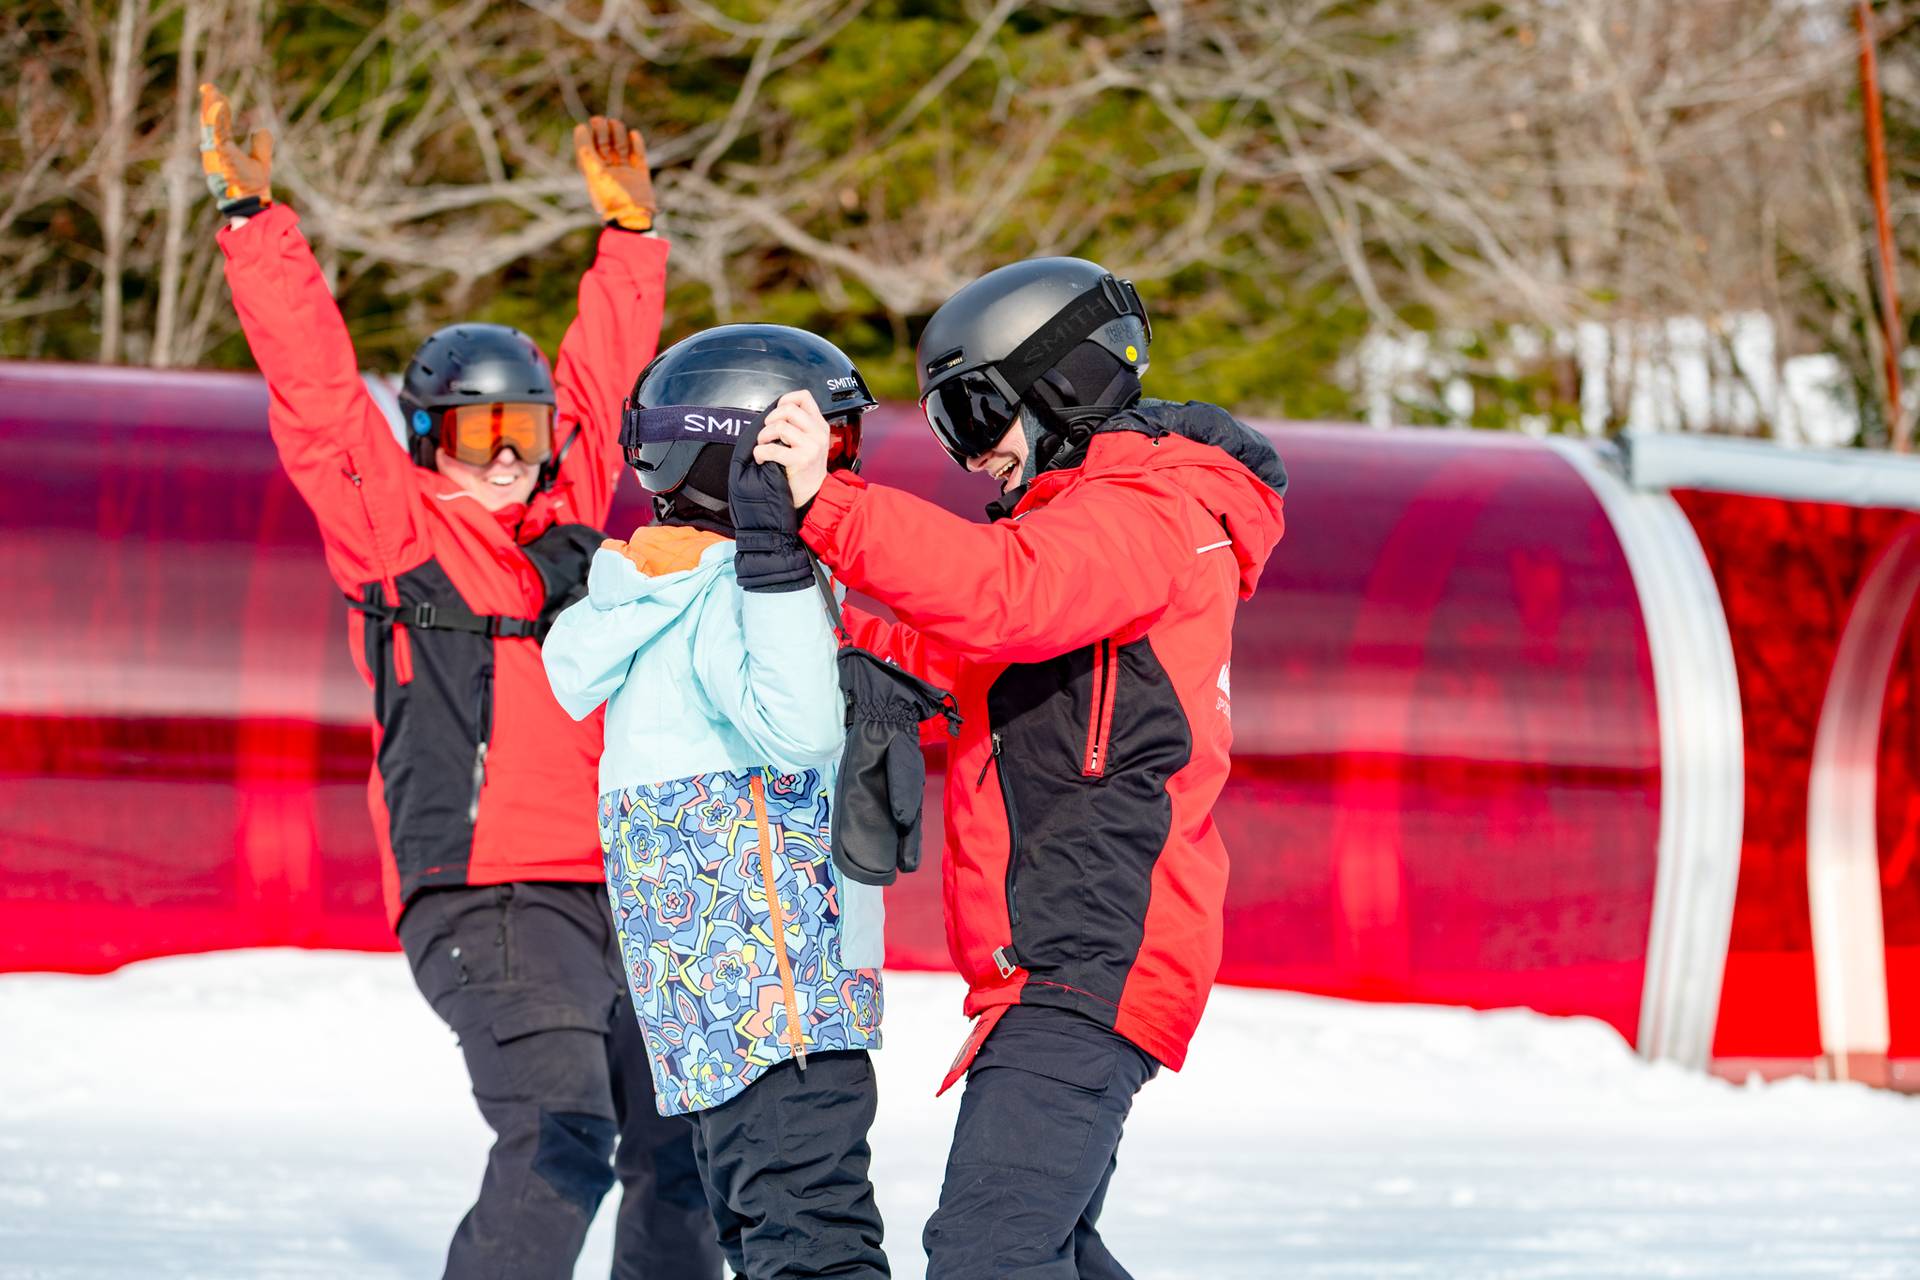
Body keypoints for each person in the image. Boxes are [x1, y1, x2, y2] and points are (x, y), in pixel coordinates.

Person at [199, 83, 721, 1279]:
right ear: (429, 437)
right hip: (488, 890)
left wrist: (633, 245)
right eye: (474, 433)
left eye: (521, 433)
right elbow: (321, 398)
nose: (502, 458)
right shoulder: (401, 532)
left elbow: (601, 382)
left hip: (623, 886)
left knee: (684, 1140)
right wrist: (251, 217)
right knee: (559, 1128)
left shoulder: (567, 524)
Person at [748, 258, 1289, 1279]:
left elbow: (1006, 596)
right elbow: (956, 660)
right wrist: (793, 623)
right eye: (950, 425)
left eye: (978, 410)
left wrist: (835, 505)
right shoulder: (1084, 527)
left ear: (1063, 383)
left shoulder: (1146, 512)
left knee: (988, 1253)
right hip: (1060, 954)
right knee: (1044, 1248)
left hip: (1096, 949)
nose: (971, 453)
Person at [541, 325, 890, 1280]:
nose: (839, 473)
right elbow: (800, 732)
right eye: (819, 449)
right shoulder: (740, 589)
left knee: (765, 1239)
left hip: (706, 1011)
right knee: (813, 1243)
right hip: (785, 1003)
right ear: (739, 461)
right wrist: (778, 567)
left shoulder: (649, 593)